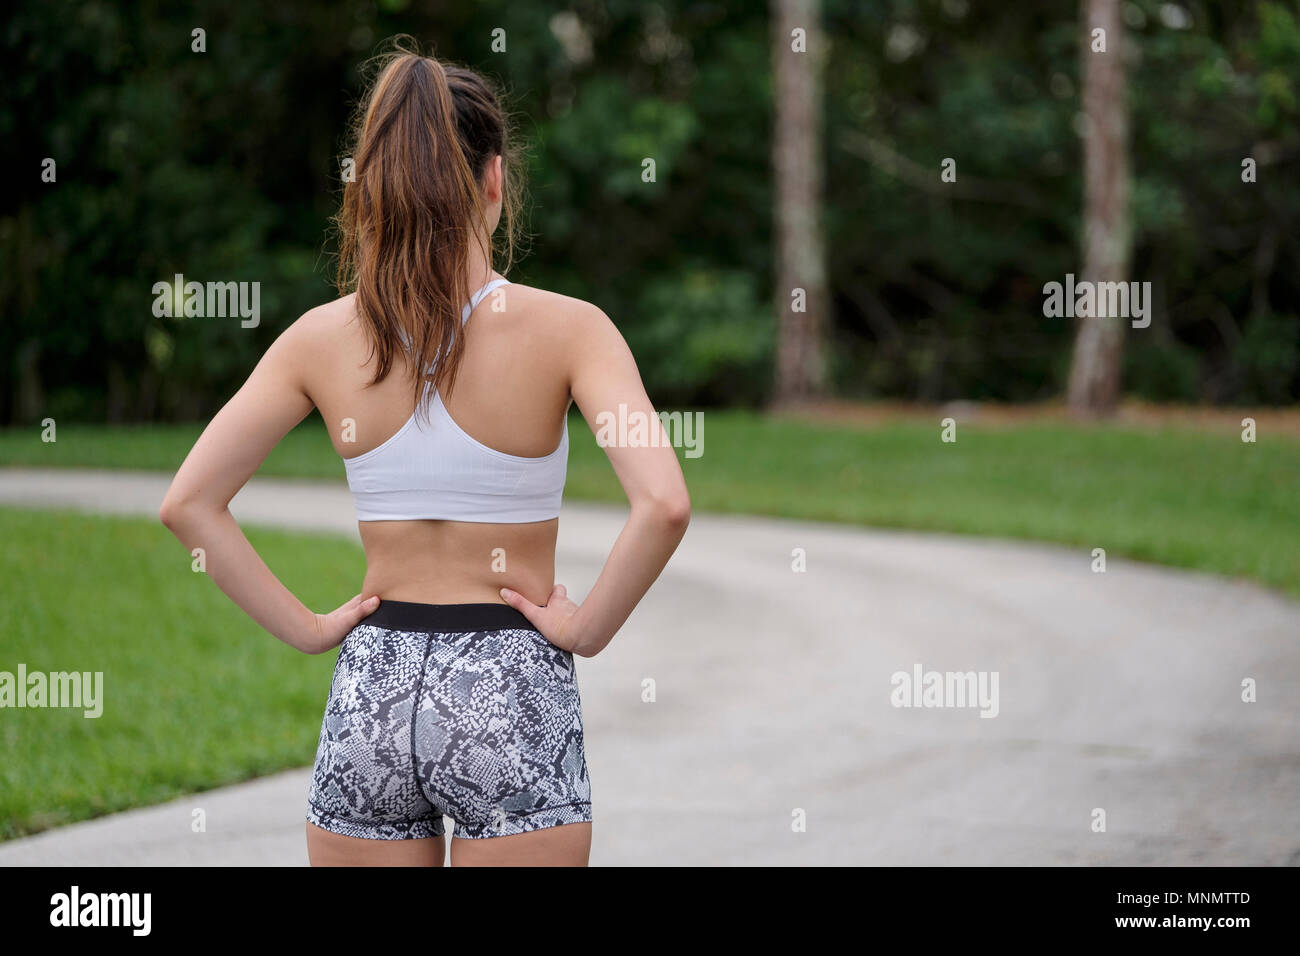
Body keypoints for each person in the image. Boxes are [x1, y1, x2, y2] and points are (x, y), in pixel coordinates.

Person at [159, 43, 690, 867]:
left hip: (373, 684)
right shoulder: (570, 330)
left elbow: (187, 504)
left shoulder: (319, 339)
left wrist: (307, 630)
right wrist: (584, 629)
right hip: (509, 687)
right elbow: (663, 504)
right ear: (493, 181)